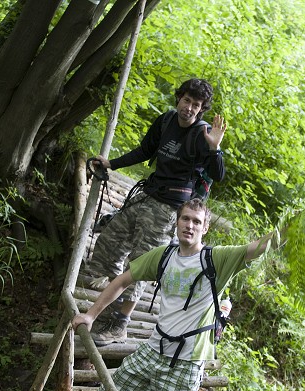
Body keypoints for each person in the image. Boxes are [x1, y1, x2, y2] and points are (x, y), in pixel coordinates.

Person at [72, 198, 283, 391]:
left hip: (185, 366)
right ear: (177, 221)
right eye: (186, 218)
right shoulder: (165, 255)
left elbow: (253, 250)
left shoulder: (216, 260)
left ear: (205, 227)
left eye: (197, 221)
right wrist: (90, 314)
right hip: (153, 349)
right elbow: (122, 280)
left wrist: (280, 231)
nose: (190, 225)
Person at [82, 78, 227, 346]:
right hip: (147, 195)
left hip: (168, 209)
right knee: (109, 243)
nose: (189, 108)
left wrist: (214, 148)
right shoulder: (166, 121)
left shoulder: (202, 135)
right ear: (179, 99)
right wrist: (112, 163)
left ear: (201, 109)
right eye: (186, 101)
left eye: (196, 105)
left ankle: (120, 324)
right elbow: (145, 150)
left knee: (141, 265)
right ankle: (108, 303)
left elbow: (218, 174)